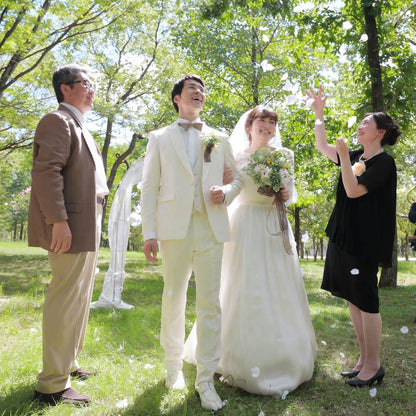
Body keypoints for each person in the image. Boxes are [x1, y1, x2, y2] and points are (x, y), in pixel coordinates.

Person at [184, 105, 317, 396]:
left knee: (278, 286)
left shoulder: (285, 156)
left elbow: (290, 192)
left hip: (273, 224)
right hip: (243, 225)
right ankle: (230, 353)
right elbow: (228, 186)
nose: (267, 127)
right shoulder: (234, 154)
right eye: (262, 121)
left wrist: (285, 193)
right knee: (241, 284)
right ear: (249, 125)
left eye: (272, 122)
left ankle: (281, 354)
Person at [140, 75, 242, 411]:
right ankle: (173, 367)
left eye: (201, 90)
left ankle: (205, 379)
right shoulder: (159, 138)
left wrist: (225, 192)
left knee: (210, 303)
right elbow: (150, 187)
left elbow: (237, 178)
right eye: (191, 90)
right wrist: (149, 232)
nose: (198, 93)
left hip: (210, 227)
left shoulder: (218, 136)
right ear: (176, 99)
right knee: (174, 296)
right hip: (173, 229)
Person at [306, 85, 401, 387]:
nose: (359, 126)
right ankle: (362, 359)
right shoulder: (358, 155)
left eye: (366, 124)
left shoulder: (383, 163)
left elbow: (353, 190)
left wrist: (346, 156)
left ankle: (374, 365)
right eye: (359, 123)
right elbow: (323, 147)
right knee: (353, 299)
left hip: (365, 240)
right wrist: (319, 114)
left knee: (367, 300)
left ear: (380, 132)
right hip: (344, 233)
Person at [28, 64, 108, 405]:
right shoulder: (57, 121)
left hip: (88, 221)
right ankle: (52, 385)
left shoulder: (80, 124)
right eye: (84, 83)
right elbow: (46, 173)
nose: (91, 89)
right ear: (65, 88)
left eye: (91, 83)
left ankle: (69, 362)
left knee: (80, 297)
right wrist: (58, 221)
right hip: (70, 225)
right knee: (65, 298)